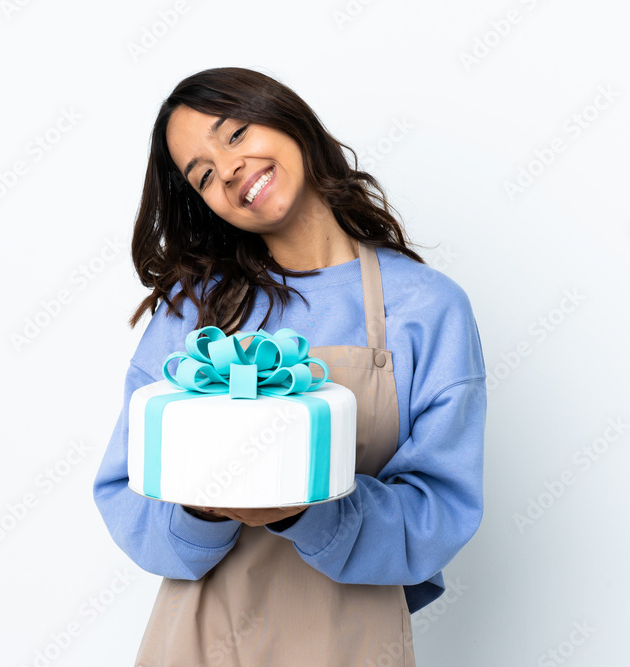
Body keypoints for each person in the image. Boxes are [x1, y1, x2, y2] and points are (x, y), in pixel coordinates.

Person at [92, 66, 487, 666]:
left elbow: (440, 512)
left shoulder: (427, 308)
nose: (227, 169)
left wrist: (307, 512)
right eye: (202, 176)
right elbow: (125, 492)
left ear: (285, 118)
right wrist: (203, 509)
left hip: (352, 641)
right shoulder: (192, 308)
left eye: (233, 134)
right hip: (200, 640)